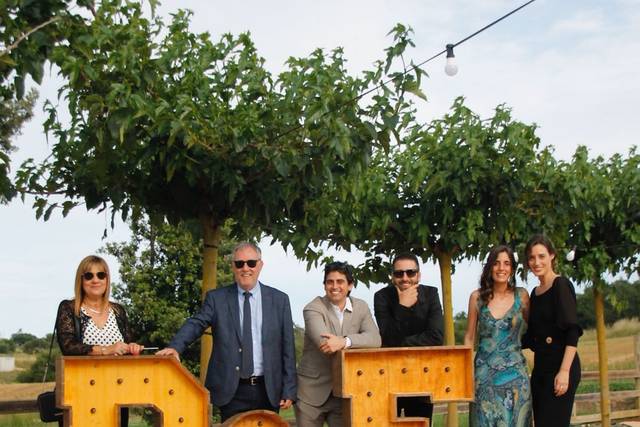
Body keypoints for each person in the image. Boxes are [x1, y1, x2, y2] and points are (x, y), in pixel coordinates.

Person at [157, 242, 296, 422]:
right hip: (231, 390)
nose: (245, 268)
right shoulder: (217, 299)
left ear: (260, 265)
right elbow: (197, 323)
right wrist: (175, 347)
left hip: (268, 389)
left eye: (251, 263)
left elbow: (288, 348)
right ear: (233, 267)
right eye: (239, 263)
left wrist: (290, 388)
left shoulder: (280, 300)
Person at [55, 255, 143, 427]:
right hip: (81, 391)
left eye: (101, 275)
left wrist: (131, 348)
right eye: (89, 276)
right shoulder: (69, 308)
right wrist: (105, 350)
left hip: (117, 391)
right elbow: (68, 347)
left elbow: (124, 346)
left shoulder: (118, 310)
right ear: (81, 280)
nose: (95, 280)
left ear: (107, 279)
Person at [295, 262, 381, 426]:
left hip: (345, 392)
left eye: (340, 281)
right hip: (311, 393)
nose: (334, 286)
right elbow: (326, 344)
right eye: (330, 282)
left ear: (350, 285)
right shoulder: (312, 308)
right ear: (325, 285)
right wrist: (357, 340)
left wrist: (345, 341)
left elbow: (375, 339)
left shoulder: (361, 307)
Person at [464, 245, 532, 426]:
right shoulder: (476, 298)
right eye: (496, 263)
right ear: (489, 267)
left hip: (517, 377)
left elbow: (533, 332)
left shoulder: (522, 296)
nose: (501, 268)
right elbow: (469, 338)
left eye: (507, 263)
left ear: (512, 268)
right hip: (484, 378)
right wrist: (466, 373)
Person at [373, 252, 443, 422]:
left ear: (418, 275)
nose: (405, 278)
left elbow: (436, 337)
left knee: (421, 423)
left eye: (410, 272)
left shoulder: (431, 294)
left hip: (421, 375)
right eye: (399, 273)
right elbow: (386, 339)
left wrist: (402, 343)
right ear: (392, 277)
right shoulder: (381, 297)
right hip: (389, 376)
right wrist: (402, 306)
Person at [522, 235, 582, 426]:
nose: (536, 262)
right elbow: (531, 338)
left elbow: (572, 331)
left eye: (541, 256)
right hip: (540, 369)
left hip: (561, 367)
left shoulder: (561, 285)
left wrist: (564, 371)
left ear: (552, 256)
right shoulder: (535, 293)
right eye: (531, 258)